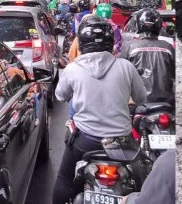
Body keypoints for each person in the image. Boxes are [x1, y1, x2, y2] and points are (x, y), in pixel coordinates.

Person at [52, 16, 147, 204]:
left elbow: (60, 96)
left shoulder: (72, 69)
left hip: (85, 141)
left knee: (64, 179)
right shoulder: (126, 67)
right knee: (142, 179)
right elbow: (141, 98)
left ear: (81, 42)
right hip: (122, 142)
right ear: (111, 41)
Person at [118, 8, 175, 105]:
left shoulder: (129, 47)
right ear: (159, 25)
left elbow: (119, 76)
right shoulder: (168, 47)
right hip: (167, 101)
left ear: (138, 25)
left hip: (136, 102)